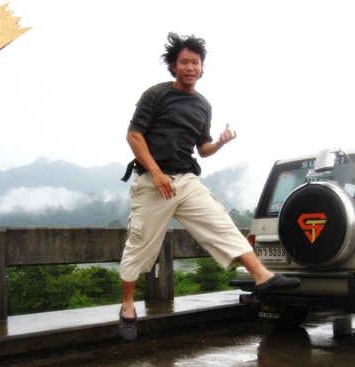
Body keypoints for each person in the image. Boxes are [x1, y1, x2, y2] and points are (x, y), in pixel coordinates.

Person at [118, 32, 299, 341]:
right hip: (152, 181)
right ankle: (127, 306)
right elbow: (134, 135)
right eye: (184, 62)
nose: (190, 67)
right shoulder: (156, 95)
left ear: (202, 67)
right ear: (173, 66)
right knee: (140, 244)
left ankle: (262, 277)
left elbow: (202, 149)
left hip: (185, 180)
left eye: (195, 62)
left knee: (221, 222)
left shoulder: (203, 105)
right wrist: (157, 173)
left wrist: (219, 143)